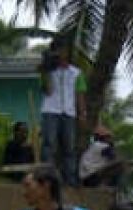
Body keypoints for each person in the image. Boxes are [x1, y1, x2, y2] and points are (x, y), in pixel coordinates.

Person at [40, 42, 86, 186]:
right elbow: (47, 90)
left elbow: (80, 94)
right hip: (51, 110)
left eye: (62, 50)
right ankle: (48, 178)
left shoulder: (76, 73)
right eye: (57, 51)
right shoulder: (48, 71)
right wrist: (47, 69)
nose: (60, 54)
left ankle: (70, 179)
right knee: (49, 145)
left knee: (69, 148)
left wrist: (82, 113)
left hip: (69, 112)